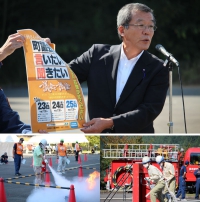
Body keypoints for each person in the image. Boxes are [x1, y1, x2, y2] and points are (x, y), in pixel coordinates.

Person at [66, 3, 169, 133]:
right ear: (122, 30)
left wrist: (110, 123)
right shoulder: (96, 55)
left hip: (135, 143)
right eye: (141, 25)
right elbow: (64, 77)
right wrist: (43, 51)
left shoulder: (158, 68)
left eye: (151, 26)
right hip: (97, 140)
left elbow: (149, 110)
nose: (147, 31)